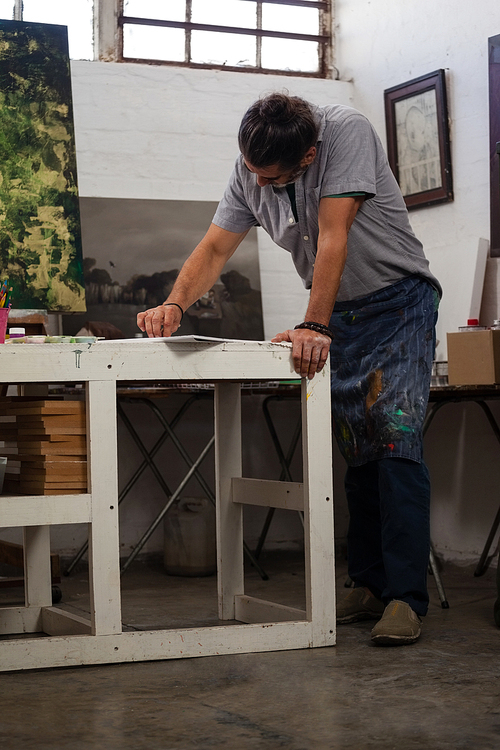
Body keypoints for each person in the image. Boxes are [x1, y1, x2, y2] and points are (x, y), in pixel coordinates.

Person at [137, 93, 441, 646]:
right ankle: (369, 584)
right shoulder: (252, 165)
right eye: (250, 172)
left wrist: (314, 326)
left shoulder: (344, 131)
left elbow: (333, 235)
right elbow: (213, 249)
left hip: (398, 304)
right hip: (339, 311)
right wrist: (174, 304)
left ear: (307, 157)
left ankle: (404, 597)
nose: (256, 186)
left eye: (268, 179)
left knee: (394, 442)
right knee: (356, 447)